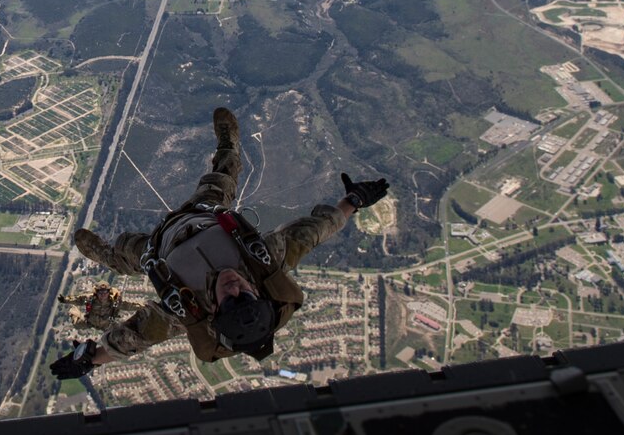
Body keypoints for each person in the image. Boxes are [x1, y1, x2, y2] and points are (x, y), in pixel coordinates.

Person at [50, 107, 389, 379]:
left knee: (122, 255)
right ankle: (229, 140)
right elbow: (316, 229)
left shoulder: (188, 312)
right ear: (258, 294)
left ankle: (102, 252)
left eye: (230, 300)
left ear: (214, 311)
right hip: (206, 213)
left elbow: (134, 338)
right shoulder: (266, 264)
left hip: (158, 248)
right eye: (246, 294)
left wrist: (89, 361)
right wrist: (354, 200)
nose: (235, 287)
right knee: (226, 171)